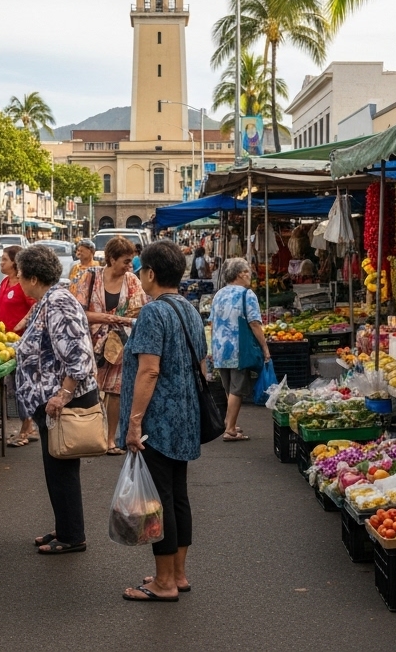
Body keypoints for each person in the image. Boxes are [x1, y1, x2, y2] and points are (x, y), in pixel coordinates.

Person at [119, 241, 205, 601]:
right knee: (177, 495)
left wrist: (135, 422)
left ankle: (164, 582)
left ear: (151, 274)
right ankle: (178, 574)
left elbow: (149, 371)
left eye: (141, 270)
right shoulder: (189, 309)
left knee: (160, 500)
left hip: (159, 420)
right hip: (186, 417)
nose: (139, 276)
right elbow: (201, 364)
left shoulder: (154, 313)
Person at [14, 245, 99, 555]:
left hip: (64, 400)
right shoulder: (48, 300)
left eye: (21, 275)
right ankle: (65, 527)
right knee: (57, 467)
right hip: (53, 400)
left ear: (34, 278)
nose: (19, 281)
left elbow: (80, 355)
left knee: (62, 468)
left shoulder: (59, 302)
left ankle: (73, 536)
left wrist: (62, 394)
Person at [73, 236, 145, 455]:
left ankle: (110, 439)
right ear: (111, 259)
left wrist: (119, 321)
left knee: (115, 392)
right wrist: (107, 318)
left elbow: (139, 309)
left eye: (130, 261)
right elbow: (77, 311)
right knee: (89, 390)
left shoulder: (132, 280)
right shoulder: (89, 277)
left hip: (118, 344)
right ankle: (87, 436)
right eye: (125, 261)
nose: (129, 266)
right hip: (90, 344)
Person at [210, 257, 270, 441]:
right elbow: (254, 324)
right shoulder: (247, 294)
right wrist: (265, 348)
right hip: (238, 349)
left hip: (220, 348)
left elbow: (212, 323)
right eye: (247, 272)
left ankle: (231, 422)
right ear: (239, 274)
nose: (249, 276)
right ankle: (230, 430)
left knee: (229, 387)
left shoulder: (219, 294)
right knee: (237, 389)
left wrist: (212, 348)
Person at [0, 246, 39, 447]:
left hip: (22, 343)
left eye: (4, 259)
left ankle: (26, 429)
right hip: (4, 344)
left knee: (23, 385)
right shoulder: (5, 282)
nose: (1, 263)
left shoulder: (23, 284)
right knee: (12, 386)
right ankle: (28, 426)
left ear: (14, 262)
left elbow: (37, 305)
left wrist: (23, 322)